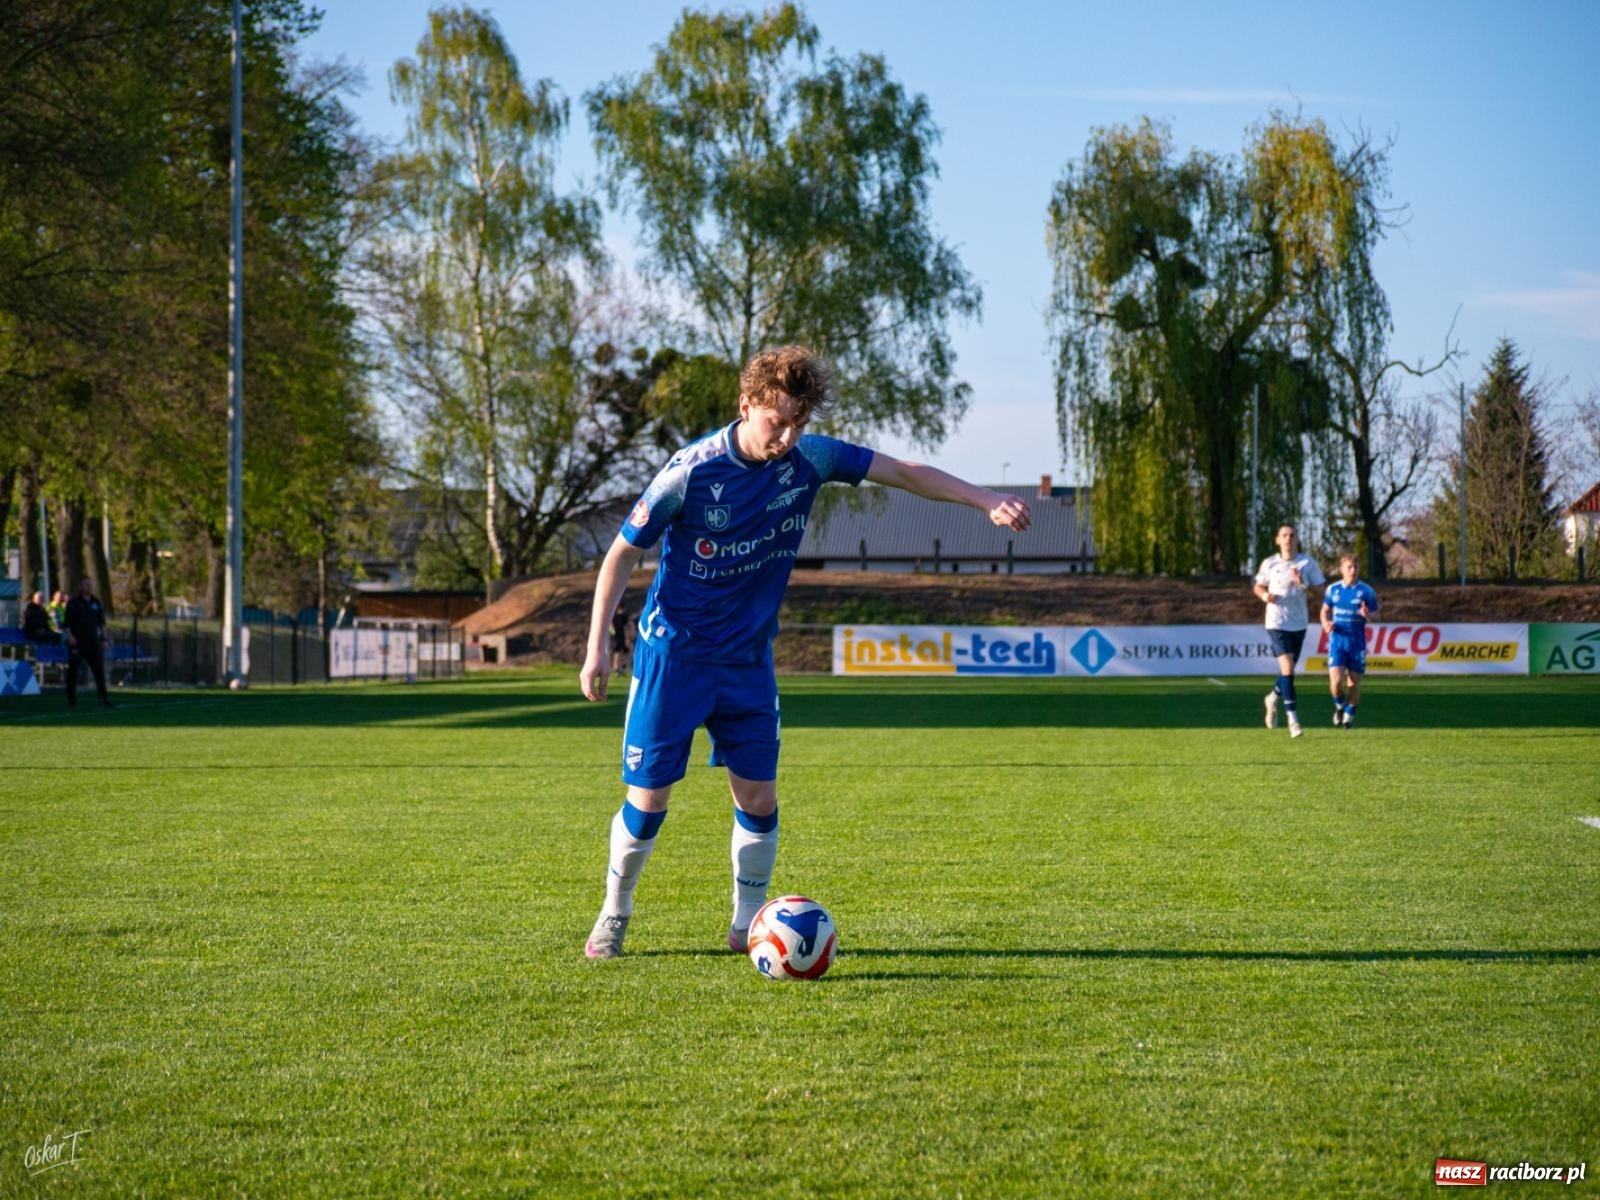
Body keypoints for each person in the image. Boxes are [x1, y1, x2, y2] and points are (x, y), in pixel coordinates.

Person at [577, 345, 1032, 959]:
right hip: (673, 658)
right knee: (649, 798)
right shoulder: (690, 472)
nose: (788, 436)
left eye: (799, 423)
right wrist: (598, 647)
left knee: (758, 798)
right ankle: (614, 913)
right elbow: (622, 553)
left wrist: (984, 500)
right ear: (746, 407)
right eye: (776, 421)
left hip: (747, 663)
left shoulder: (811, 459)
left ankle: (746, 926)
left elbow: (903, 472)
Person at [1252, 524, 1324, 739]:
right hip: (1276, 622)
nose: (1288, 539)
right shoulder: (1270, 563)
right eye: (1284, 535)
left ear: (1297, 539)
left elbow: (1322, 590)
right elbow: (1258, 586)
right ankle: (1293, 721)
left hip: (1299, 623)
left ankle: (1272, 697)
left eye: (1292, 535)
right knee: (1288, 670)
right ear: (1277, 540)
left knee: (1288, 673)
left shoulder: (1307, 563)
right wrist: (1265, 597)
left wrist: (1304, 583)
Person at [1320, 553, 1378, 729]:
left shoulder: (1367, 591)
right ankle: (1339, 706)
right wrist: (1325, 623)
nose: (1353, 571)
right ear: (1342, 569)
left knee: (1354, 683)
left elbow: (1378, 616)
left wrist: (1368, 614)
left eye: (1356, 567)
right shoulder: (1333, 589)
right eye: (1349, 567)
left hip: (1357, 643)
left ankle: (1349, 715)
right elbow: (1324, 611)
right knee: (1336, 682)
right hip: (1337, 641)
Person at [63, 577, 111, 708]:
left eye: (90, 585)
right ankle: (71, 699)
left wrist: (104, 639)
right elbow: (66, 624)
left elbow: (102, 624)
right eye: (86, 585)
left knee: (98, 672)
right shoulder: (73, 603)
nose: (88, 587)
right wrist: (70, 637)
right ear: (80, 587)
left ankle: (103, 698)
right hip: (77, 643)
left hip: (93, 643)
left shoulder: (96, 603)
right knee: (73, 672)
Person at [609, 603, 631, 675]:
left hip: (615, 637)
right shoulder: (624, 616)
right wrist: (627, 638)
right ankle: (623, 666)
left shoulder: (614, 616)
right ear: (623, 608)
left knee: (617, 652)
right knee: (626, 652)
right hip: (623, 636)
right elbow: (626, 628)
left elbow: (611, 627)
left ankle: (616, 668)